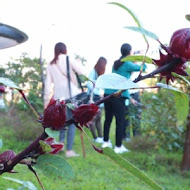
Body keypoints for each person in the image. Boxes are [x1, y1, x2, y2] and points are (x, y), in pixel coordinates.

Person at [102, 43, 147, 154]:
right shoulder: (127, 64)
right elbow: (143, 68)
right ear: (129, 52)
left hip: (108, 94)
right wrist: (142, 57)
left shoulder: (116, 63)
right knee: (120, 121)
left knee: (108, 119)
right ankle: (118, 146)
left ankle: (106, 141)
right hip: (119, 96)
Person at [44, 42, 83, 158]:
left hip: (58, 96)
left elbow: (47, 84)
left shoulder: (50, 64)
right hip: (72, 94)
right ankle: (69, 150)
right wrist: (79, 63)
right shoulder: (68, 58)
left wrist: (46, 100)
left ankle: (60, 143)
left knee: (61, 120)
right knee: (71, 121)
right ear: (64, 49)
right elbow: (80, 71)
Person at [87, 57, 107, 143]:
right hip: (93, 99)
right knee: (93, 119)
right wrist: (98, 92)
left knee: (99, 118)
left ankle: (100, 137)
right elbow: (89, 84)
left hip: (99, 99)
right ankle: (95, 138)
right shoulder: (92, 72)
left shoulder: (100, 75)